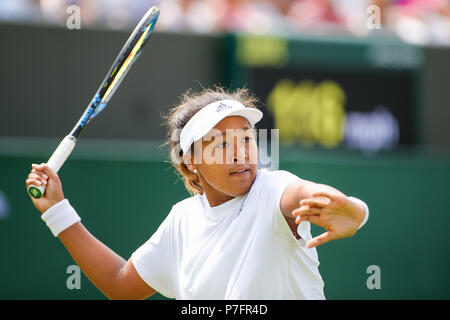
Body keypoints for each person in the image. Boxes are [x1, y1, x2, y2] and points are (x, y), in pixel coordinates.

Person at [26, 86, 369, 300]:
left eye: (246, 139)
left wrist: (354, 210)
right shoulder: (182, 220)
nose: (240, 153)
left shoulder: (273, 189)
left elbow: (304, 194)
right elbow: (121, 285)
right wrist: (57, 210)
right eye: (221, 144)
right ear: (191, 162)